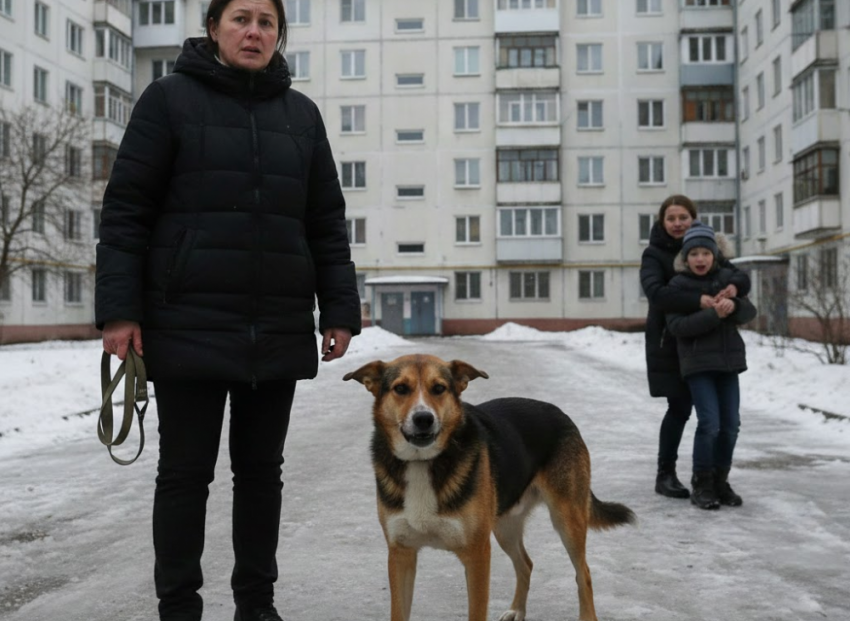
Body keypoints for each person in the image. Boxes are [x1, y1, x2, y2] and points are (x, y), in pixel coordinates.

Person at [95, 1, 362, 619]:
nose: (254, 31)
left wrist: (339, 309)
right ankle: (179, 606)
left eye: (266, 22)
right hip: (186, 321)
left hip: (275, 324)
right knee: (186, 476)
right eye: (241, 18)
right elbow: (127, 211)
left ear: (278, 36)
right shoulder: (167, 101)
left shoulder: (302, 116)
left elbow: (326, 222)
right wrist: (119, 312)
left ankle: (256, 604)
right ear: (213, 28)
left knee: (262, 475)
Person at [640, 196, 750, 499]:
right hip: (669, 341)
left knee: (721, 420)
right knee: (679, 408)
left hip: (709, 344)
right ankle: (666, 473)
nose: (677, 223)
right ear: (662, 222)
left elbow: (738, 275)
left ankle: (714, 478)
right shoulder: (654, 254)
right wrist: (699, 301)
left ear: (693, 219)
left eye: (683, 217)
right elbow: (656, 293)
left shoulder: (704, 246)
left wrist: (735, 290)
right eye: (671, 218)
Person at [665, 223, 757, 509]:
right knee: (710, 424)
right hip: (698, 366)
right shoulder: (678, 287)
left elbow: (749, 311)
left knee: (731, 426)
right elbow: (678, 326)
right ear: (686, 258)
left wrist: (734, 306)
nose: (701, 259)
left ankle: (720, 480)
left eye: (706, 252)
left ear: (715, 255)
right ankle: (702, 482)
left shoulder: (727, 280)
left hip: (728, 364)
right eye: (694, 253)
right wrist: (714, 315)